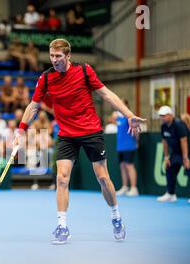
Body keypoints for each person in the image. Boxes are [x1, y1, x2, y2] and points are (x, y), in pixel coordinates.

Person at [13, 39, 145, 244]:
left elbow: (106, 94)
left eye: (58, 56)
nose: (54, 60)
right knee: (62, 179)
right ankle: (62, 226)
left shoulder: (84, 71)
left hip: (91, 131)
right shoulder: (46, 78)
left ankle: (116, 217)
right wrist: (21, 129)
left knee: (102, 178)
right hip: (66, 134)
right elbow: (34, 105)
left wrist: (128, 115)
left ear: (68, 56)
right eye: (51, 56)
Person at [156, 106, 190, 204]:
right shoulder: (163, 126)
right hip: (176, 152)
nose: (162, 118)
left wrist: (185, 158)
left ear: (170, 115)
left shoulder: (179, 124)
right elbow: (164, 142)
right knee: (169, 168)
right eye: (161, 116)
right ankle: (171, 194)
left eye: (164, 116)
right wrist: (166, 157)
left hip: (188, 150)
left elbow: (184, 141)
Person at [116, 100, 139, 197]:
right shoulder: (119, 118)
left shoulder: (130, 117)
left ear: (126, 105)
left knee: (129, 166)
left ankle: (134, 188)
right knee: (122, 166)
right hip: (120, 147)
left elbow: (136, 130)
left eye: (122, 103)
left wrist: (137, 142)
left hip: (129, 145)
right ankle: (125, 187)